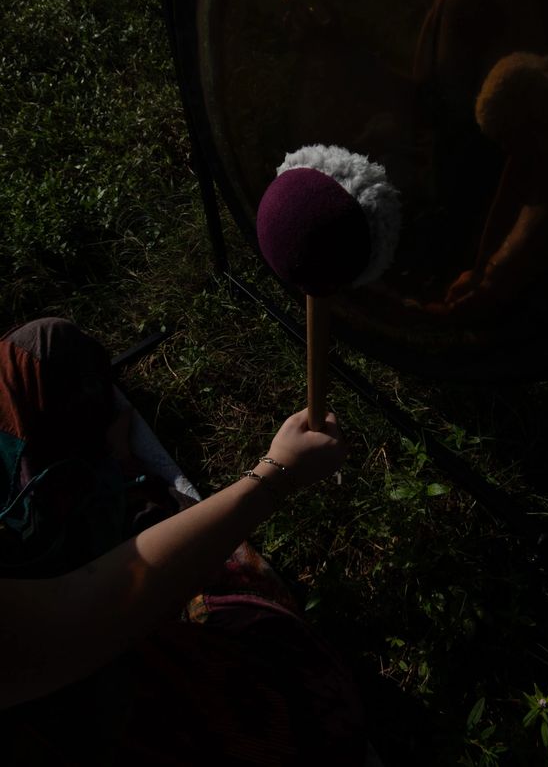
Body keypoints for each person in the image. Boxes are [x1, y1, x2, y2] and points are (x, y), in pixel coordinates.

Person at [0, 317, 367, 765]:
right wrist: (276, 474)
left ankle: (108, 477)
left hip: (29, 576)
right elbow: (69, 619)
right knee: (289, 689)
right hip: (78, 689)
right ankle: (120, 482)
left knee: (40, 349)